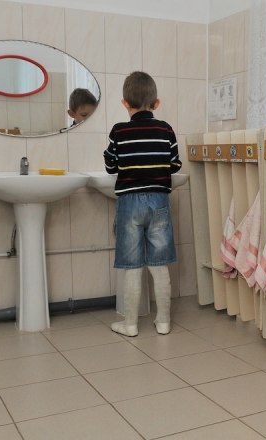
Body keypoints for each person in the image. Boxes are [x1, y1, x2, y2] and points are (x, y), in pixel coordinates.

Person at [104, 71, 181, 337]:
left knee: (132, 267)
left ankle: (130, 325)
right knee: (159, 265)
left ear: (125, 103)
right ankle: (164, 321)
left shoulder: (119, 131)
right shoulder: (165, 129)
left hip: (129, 203)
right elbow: (174, 164)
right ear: (156, 103)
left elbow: (110, 166)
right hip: (159, 200)